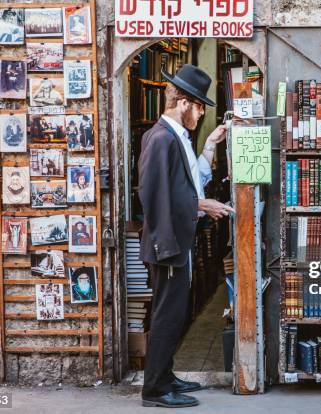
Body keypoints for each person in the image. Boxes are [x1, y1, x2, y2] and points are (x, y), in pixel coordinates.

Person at [138, 64, 234, 408]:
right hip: (167, 245)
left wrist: (209, 145)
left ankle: (165, 376)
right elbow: (152, 193)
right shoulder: (161, 138)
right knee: (166, 316)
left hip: (176, 243)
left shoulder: (177, 136)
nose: (202, 113)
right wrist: (200, 205)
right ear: (184, 103)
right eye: (200, 107)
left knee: (175, 314)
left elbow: (187, 183)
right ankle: (154, 390)